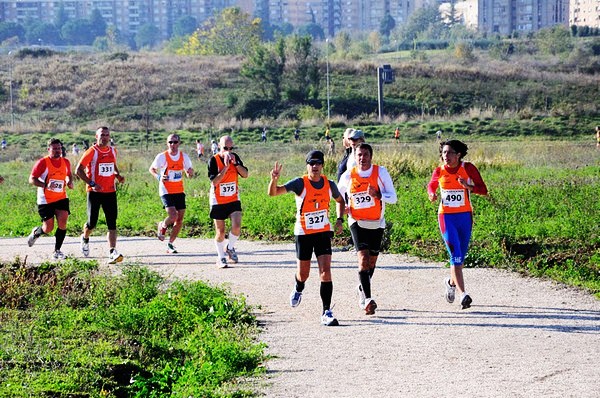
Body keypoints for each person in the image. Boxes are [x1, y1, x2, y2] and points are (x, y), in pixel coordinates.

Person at [268, 150, 345, 326]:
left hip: (323, 232)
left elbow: (340, 201)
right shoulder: (299, 183)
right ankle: (298, 287)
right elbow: (273, 193)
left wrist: (339, 219)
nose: (315, 167)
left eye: (318, 163)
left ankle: (326, 311)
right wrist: (274, 179)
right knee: (303, 274)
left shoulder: (329, 184)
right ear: (307, 165)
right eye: (312, 163)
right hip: (303, 233)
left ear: (323, 165)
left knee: (325, 272)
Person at [427, 140, 488, 310]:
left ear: (458, 154)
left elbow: (483, 190)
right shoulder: (439, 171)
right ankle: (464, 295)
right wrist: (432, 193)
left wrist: (468, 186)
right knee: (455, 255)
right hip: (446, 218)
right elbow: (431, 185)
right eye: (444, 153)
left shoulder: (468, 168)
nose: (445, 156)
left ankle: (450, 282)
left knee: (460, 257)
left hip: (465, 217)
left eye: (449, 153)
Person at [338, 143, 397, 315]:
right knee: (363, 259)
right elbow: (338, 195)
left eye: (365, 155)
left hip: (377, 222)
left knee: (372, 262)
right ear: (354, 157)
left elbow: (393, 197)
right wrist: (343, 210)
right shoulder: (349, 175)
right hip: (356, 221)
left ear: (371, 156)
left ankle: (362, 288)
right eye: (359, 155)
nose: (362, 158)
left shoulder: (381, 172)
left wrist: (378, 195)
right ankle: (368, 300)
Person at [76, 127, 126, 264]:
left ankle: (112, 251)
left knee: (112, 223)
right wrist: (92, 183)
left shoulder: (113, 151)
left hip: (110, 191)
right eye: (102, 135)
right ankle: (85, 238)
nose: (104, 137)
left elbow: (112, 165)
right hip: (95, 192)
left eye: (107, 135)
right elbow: (78, 170)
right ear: (96, 136)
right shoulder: (92, 152)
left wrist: (118, 175)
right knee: (92, 222)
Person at [27, 138, 74, 260]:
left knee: (63, 223)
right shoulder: (43, 162)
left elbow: (68, 175)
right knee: (48, 228)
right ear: (49, 150)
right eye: (54, 149)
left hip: (61, 197)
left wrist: (69, 182)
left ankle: (57, 251)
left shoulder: (66, 162)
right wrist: (45, 185)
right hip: (45, 199)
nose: (58, 151)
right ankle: (37, 232)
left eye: (59, 148)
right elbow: (32, 179)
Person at [208, 135, 249, 268]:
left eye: (231, 148)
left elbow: (245, 174)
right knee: (220, 231)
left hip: (233, 198)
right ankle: (221, 257)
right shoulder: (213, 160)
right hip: (218, 199)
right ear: (219, 146)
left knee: (236, 226)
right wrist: (225, 168)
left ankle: (230, 247)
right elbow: (214, 181)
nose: (228, 151)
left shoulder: (235, 157)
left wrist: (235, 164)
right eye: (226, 148)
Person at [149, 133, 194, 254]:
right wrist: (159, 176)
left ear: (179, 143)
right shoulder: (162, 156)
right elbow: (152, 169)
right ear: (167, 143)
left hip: (179, 190)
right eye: (170, 142)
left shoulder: (184, 157)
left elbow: (189, 171)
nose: (172, 145)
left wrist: (190, 173)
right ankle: (163, 225)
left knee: (179, 220)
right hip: (166, 190)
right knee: (173, 216)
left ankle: (171, 244)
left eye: (175, 142)